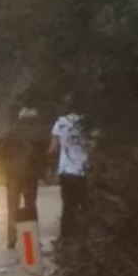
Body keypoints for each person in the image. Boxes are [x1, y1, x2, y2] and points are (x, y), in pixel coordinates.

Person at [0, 107, 49, 249]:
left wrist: (3, 169)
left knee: (13, 207)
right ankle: (34, 238)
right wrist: (43, 173)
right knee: (30, 206)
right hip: (31, 176)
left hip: (13, 176)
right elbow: (44, 157)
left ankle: (12, 239)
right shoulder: (39, 134)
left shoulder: (11, 133)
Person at [48, 99, 89, 241]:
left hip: (65, 170)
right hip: (84, 169)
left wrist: (50, 164)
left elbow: (53, 148)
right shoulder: (87, 123)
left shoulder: (60, 122)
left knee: (68, 204)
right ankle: (85, 236)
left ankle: (66, 236)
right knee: (84, 204)